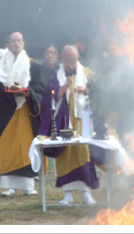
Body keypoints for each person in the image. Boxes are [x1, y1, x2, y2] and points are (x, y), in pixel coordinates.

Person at [0, 32, 44, 196]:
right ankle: (10, 186)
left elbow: (40, 89)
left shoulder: (33, 66)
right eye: (13, 41)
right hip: (5, 113)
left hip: (25, 112)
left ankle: (29, 186)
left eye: (19, 40)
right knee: (8, 149)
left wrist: (28, 93)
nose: (16, 43)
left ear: (24, 43)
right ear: (7, 45)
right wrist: (6, 92)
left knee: (26, 148)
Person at [38, 45, 98, 205]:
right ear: (61, 59)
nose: (71, 62)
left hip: (81, 121)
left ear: (78, 57)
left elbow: (98, 91)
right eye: (67, 59)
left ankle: (86, 194)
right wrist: (64, 86)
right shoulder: (55, 77)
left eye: (74, 58)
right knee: (65, 156)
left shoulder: (86, 73)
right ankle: (67, 194)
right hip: (63, 121)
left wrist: (86, 90)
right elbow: (48, 97)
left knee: (83, 154)